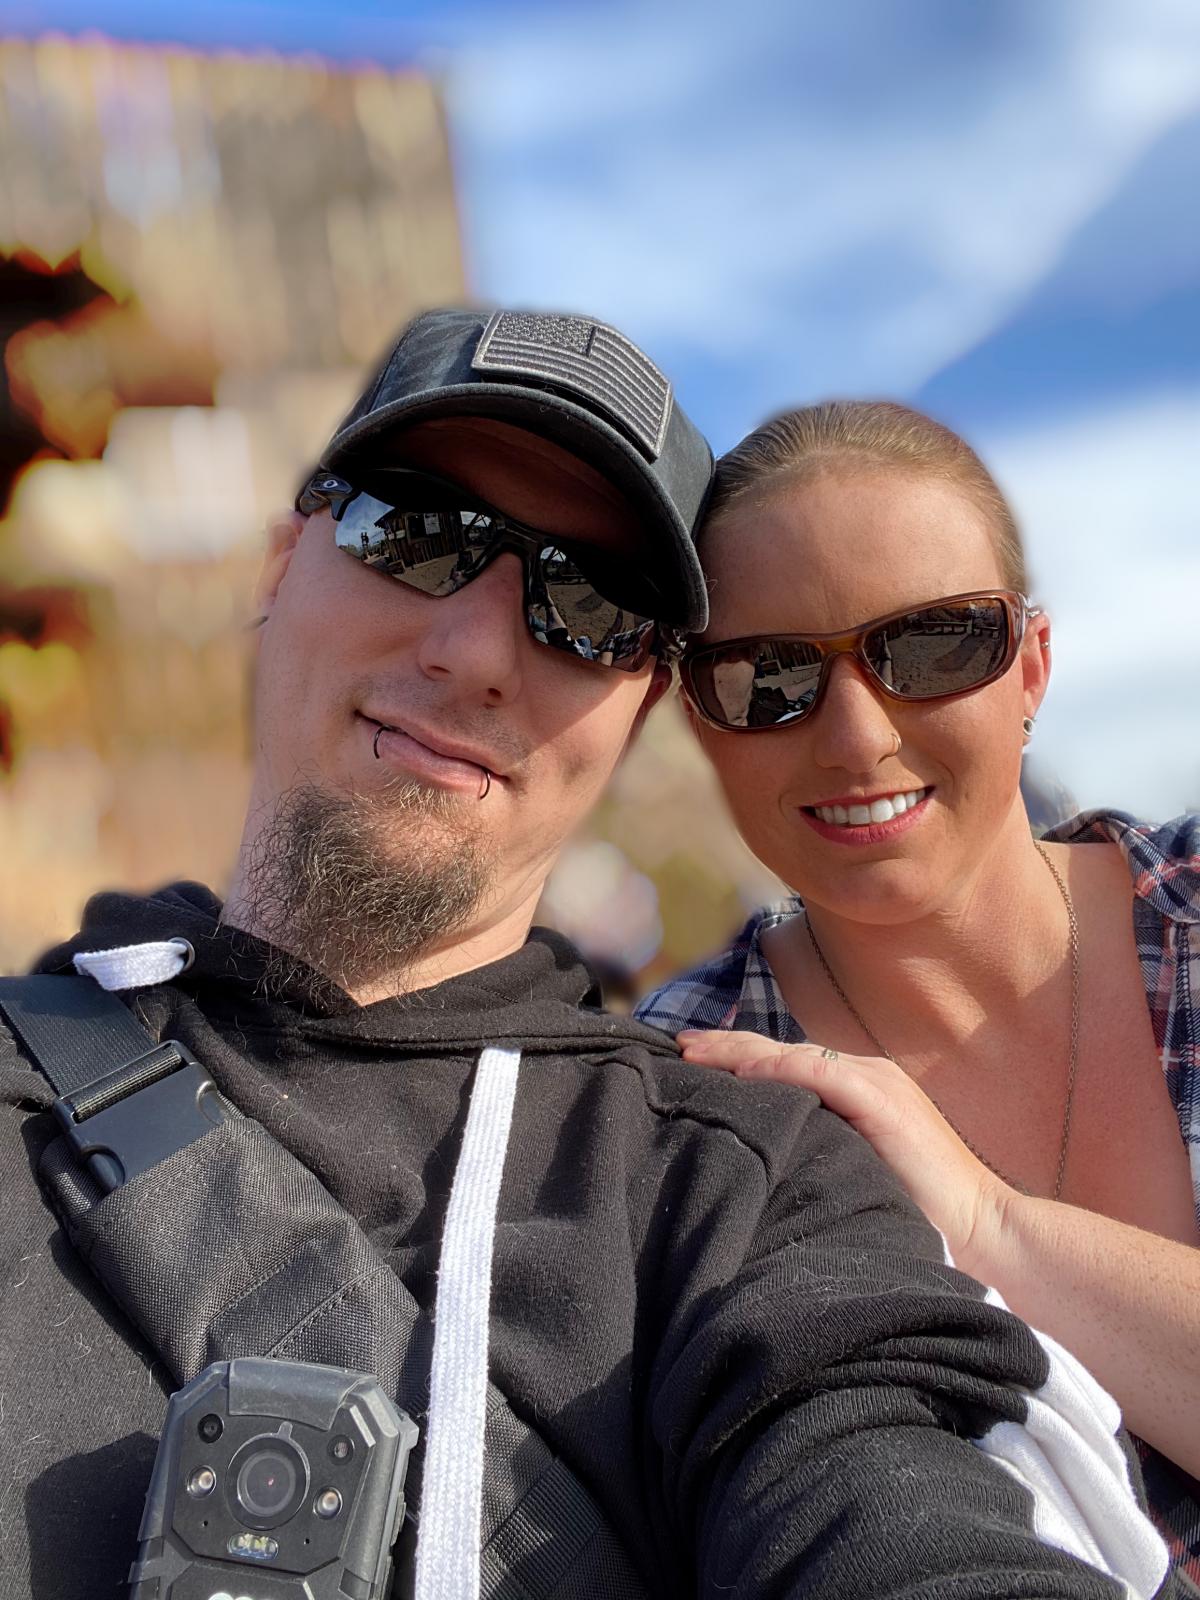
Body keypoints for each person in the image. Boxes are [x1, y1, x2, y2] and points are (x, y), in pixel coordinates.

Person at [0, 317, 1175, 1600]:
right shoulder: (740, 1039)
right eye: (415, 533)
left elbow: (887, 1497)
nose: (477, 653)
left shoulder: (734, 1176)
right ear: (282, 562)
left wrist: (993, 1227)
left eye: (591, 610)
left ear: (641, 706)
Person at [636, 398, 1200, 1586]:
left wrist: (990, 1226)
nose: (855, 736)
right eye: (768, 676)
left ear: (1031, 665)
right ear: (700, 718)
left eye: (933, 645)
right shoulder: (681, 1093)